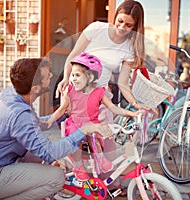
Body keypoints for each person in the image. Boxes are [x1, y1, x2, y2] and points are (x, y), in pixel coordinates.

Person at [0, 58, 113, 200]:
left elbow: (34, 124)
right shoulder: (19, 113)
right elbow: (50, 153)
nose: (52, 76)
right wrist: (84, 129)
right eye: (47, 76)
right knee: (56, 177)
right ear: (35, 88)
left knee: (36, 154)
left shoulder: (11, 94)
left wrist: (61, 115)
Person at [56, 1, 146, 193]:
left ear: (135, 27)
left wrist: (137, 105)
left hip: (101, 95)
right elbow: (73, 56)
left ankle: (110, 186)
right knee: (77, 140)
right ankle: (74, 183)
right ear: (115, 17)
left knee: (106, 141)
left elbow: (123, 84)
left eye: (128, 25)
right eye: (120, 21)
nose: (122, 28)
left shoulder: (129, 47)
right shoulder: (96, 29)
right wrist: (65, 79)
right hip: (78, 91)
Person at [44, 52, 139, 181]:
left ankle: (100, 159)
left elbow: (113, 108)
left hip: (92, 123)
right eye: (72, 75)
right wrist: (50, 119)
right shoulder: (70, 91)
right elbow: (62, 110)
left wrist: (131, 113)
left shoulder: (99, 92)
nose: (73, 79)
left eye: (77, 75)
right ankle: (78, 166)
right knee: (75, 138)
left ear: (90, 78)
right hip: (75, 123)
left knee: (95, 133)